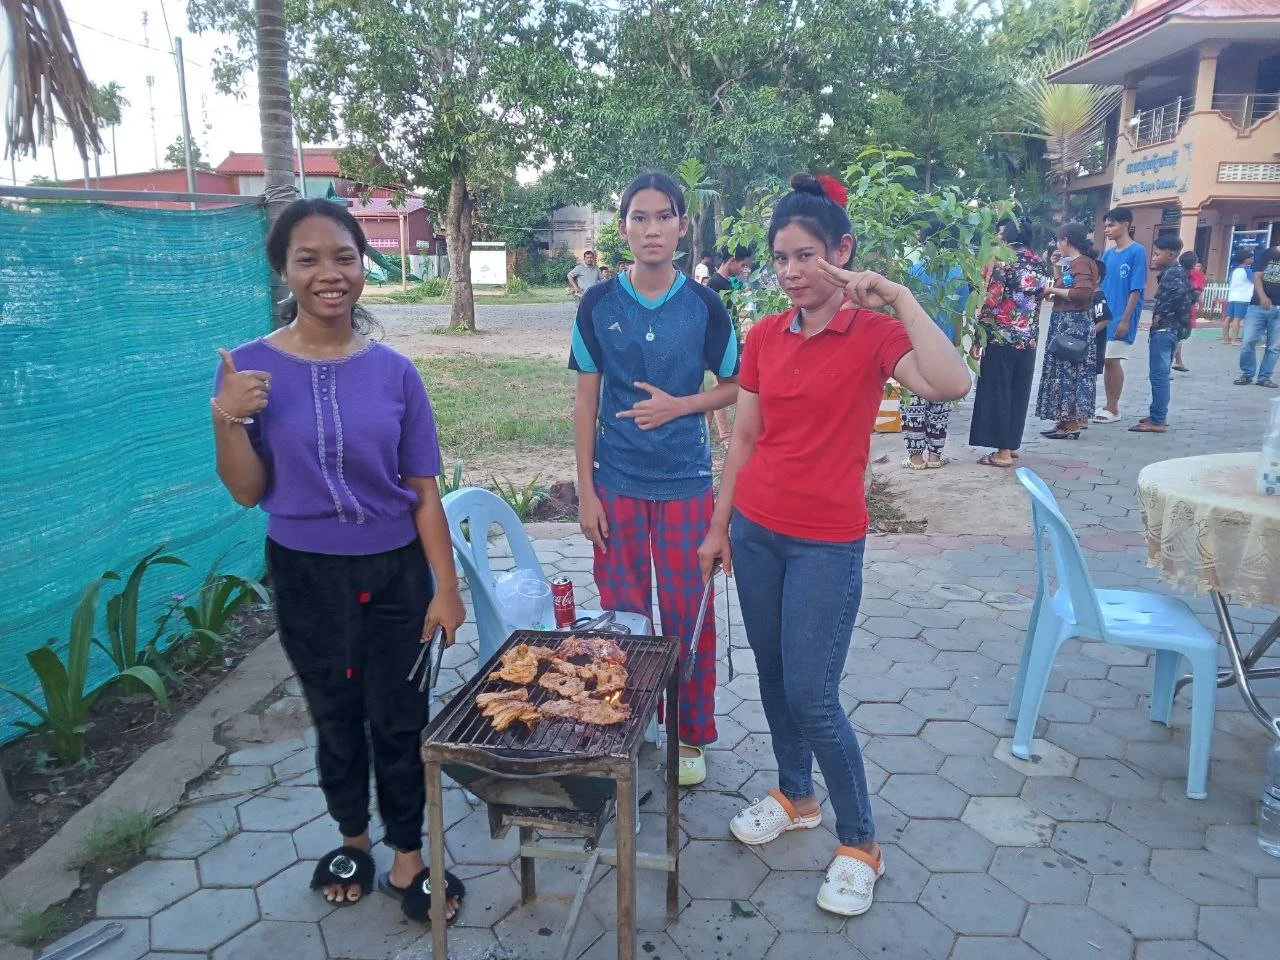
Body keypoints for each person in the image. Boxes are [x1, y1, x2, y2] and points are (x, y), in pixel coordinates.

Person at [697, 173, 970, 917]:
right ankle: (796, 795)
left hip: (825, 544)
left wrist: (899, 298)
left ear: (842, 252)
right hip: (756, 532)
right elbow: (743, 439)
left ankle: (861, 843)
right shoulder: (764, 335)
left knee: (813, 695)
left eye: (805, 256)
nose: (790, 272)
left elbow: (950, 383)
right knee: (774, 676)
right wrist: (719, 527)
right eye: (780, 258)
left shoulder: (875, 335)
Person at [211, 199, 467, 921]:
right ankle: (352, 838)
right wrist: (227, 416)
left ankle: (408, 853)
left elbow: (424, 492)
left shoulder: (395, 372)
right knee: (334, 712)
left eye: (345, 257)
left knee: (401, 715)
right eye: (309, 259)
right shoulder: (247, 369)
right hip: (305, 574)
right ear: (284, 271)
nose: (330, 273)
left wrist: (446, 588)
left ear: (363, 266)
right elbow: (247, 491)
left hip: (396, 572)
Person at [569, 170, 739, 787]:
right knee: (625, 617)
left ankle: (690, 732)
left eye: (664, 216)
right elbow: (585, 400)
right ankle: (630, 721)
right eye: (639, 217)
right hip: (616, 483)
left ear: (682, 226)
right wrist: (586, 491)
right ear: (623, 229)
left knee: (688, 613)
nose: (652, 229)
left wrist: (680, 406)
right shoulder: (597, 305)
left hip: (687, 483)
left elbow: (735, 384)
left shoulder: (705, 306)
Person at [968, 217, 1049, 468]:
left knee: (999, 392)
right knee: (1018, 391)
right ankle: (1012, 445)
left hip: (1002, 337)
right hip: (1028, 339)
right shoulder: (1039, 264)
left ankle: (1002, 453)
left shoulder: (1004, 262)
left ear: (1008, 237)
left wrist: (978, 337)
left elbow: (991, 301)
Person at [900, 222, 970, 469]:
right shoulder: (958, 273)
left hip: (914, 345)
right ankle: (935, 457)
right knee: (940, 400)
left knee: (914, 399)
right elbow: (959, 313)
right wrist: (956, 342)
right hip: (944, 345)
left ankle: (916, 458)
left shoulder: (914, 271)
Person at [1036, 221, 1101, 440]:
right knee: (1063, 371)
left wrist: (1051, 290)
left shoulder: (1082, 263)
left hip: (1073, 324)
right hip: (1066, 321)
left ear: (1065, 240)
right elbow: (1065, 285)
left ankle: (1071, 422)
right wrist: (1056, 267)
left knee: (1069, 372)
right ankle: (1063, 420)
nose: (1057, 245)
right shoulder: (1075, 262)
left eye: (1058, 240)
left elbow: (1082, 293)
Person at [1131, 235, 1195, 433]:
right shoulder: (1177, 272)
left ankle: (1158, 420)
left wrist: (1162, 314)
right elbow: (1190, 296)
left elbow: (1179, 296)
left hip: (1165, 330)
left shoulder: (1173, 273)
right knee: (1161, 375)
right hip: (1170, 329)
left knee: (1159, 376)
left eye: (1157, 254)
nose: (1154, 258)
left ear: (1171, 254)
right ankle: (1157, 413)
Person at [1094, 208, 1147, 423]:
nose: (1107, 230)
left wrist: (1125, 320)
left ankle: (1113, 408)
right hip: (1106, 315)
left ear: (1125, 224)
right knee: (1106, 360)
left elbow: (1136, 289)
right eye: (1105, 226)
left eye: (1111, 225)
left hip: (1123, 315)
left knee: (1112, 360)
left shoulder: (1137, 252)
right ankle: (1109, 404)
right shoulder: (1108, 254)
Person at [1237, 235, 1280, 389]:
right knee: (1248, 341)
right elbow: (1257, 276)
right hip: (1258, 306)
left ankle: (1264, 377)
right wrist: (1262, 296)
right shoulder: (1268, 254)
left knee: (1274, 347)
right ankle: (1247, 373)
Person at [1173, 251, 1204, 372]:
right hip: (1187, 309)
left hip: (1173, 308)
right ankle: (1172, 362)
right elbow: (1197, 292)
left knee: (1175, 335)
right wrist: (1200, 306)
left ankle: (1178, 361)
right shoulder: (1197, 275)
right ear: (1195, 263)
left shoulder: (1176, 272)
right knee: (1180, 336)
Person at [1225, 248, 1254, 346]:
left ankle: (1225, 339)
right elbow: (1255, 281)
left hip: (1232, 297)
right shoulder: (1247, 271)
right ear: (1246, 259)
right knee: (1237, 319)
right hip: (1243, 298)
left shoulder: (1235, 271)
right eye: (1250, 258)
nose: (1252, 259)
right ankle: (1234, 339)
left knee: (1228, 318)